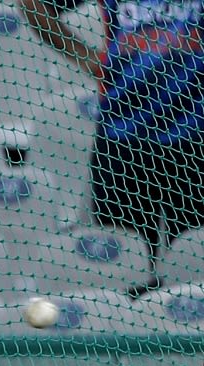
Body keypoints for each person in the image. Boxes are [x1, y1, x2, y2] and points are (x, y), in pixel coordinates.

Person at [21, 0, 203, 295]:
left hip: (194, 137)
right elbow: (34, 5)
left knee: (193, 267)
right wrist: (88, 58)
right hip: (122, 139)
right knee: (122, 267)